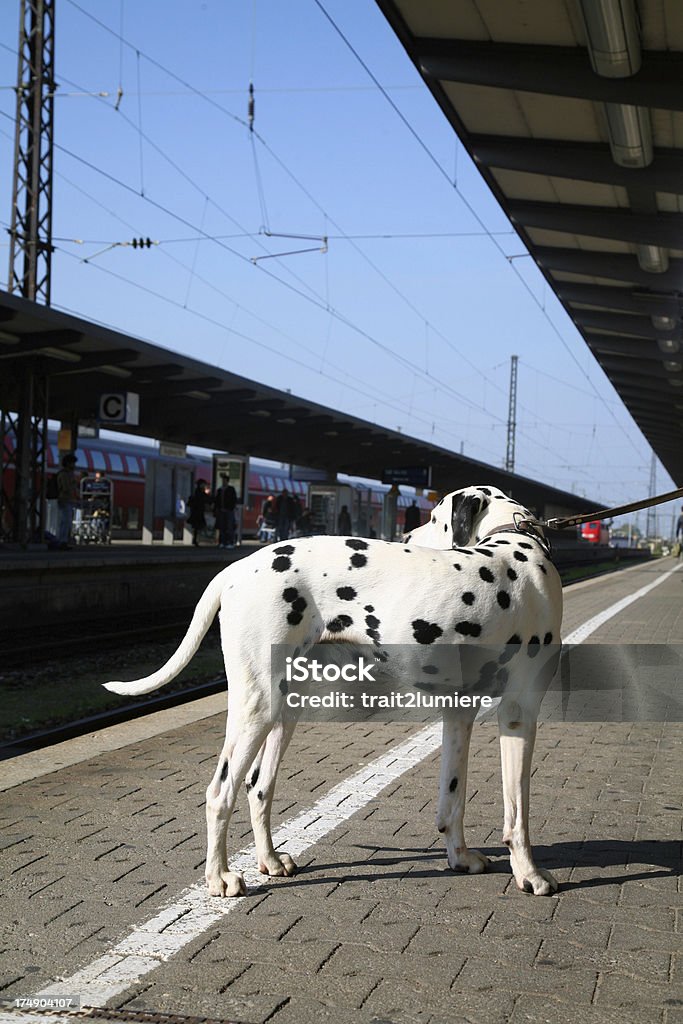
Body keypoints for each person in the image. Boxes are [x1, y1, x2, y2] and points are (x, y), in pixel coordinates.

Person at [56, 453, 79, 550]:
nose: (74, 465)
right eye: (73, 463)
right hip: (65, 499)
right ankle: (62, 541)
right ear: (68, 463)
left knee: (67, 521)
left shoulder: (68, 474)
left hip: (67, 500)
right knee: (65, 521)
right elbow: (66, 488)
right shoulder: (65, 474)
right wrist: (73, 484)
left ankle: (64, 540)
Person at [214, 474, 237, 549]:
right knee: (222, 527)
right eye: (222, 480)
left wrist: (231, 508)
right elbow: (217, 500)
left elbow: (234, 500)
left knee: (229, 527)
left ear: (227, 481)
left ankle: (230, 542)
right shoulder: (219, 490)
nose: (223, 481)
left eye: (224, 480)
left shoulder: (231, 489)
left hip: (229, 511)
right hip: (221, 510)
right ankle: (222, 542)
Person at [187, 480, 209, 546]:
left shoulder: (196, 492)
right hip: (198, 512)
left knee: (196, 527)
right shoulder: (200, 492)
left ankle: (195, 539)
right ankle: (197, 540)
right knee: (199, 526)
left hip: (196, 511)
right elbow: (207, 499)